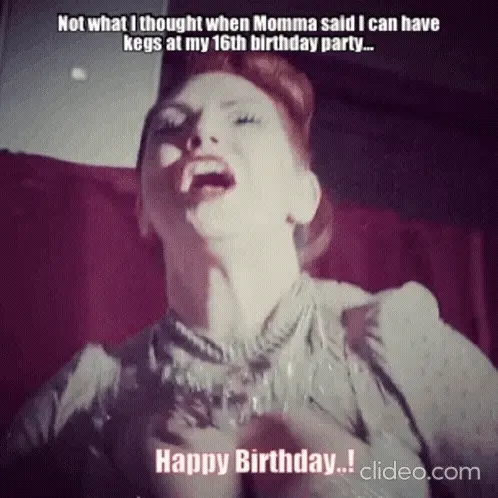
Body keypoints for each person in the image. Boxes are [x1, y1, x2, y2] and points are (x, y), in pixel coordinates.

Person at [1, 51, 497, 498]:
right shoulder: (80, 400)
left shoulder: (395, 342)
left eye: (243, 118)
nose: (199, 134)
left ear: (303, 196)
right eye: (169, 126)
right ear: (143, 211)